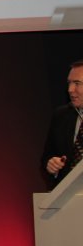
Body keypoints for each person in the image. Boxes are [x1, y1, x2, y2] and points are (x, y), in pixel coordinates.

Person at [42, 59, 83, 188]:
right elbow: (47, 158)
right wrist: (51, 165)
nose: (70, 89)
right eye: (69, 83)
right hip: (67, 195)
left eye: (77, 83)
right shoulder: (61, 116)